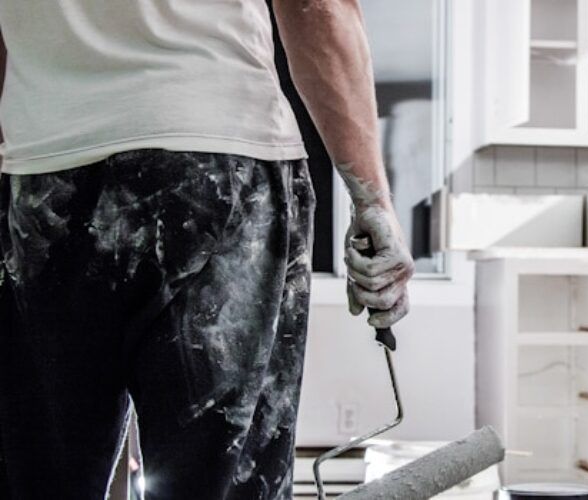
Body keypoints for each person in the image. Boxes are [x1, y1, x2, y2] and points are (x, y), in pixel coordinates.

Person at [0, 0, 414, 498]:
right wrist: (372, 197)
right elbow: (315, 6)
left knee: (43, 479)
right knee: (218, 484)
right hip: (217, 156)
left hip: (44, 176)